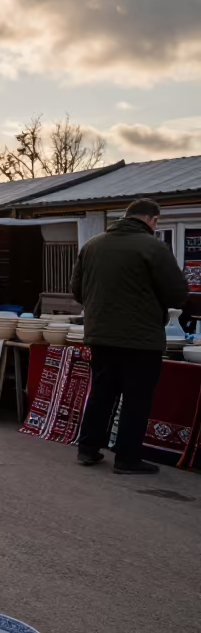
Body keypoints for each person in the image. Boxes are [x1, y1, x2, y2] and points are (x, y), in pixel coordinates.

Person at [72, 198, 189, 475]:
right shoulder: (154, 247)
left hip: (100, 335)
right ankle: (127, 458)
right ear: (152, 219)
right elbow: (177, 294)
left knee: (102, 393)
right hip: (140, 339)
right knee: (136, 398)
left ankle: (87, 448)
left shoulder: (92, 245)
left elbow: (77, 291)